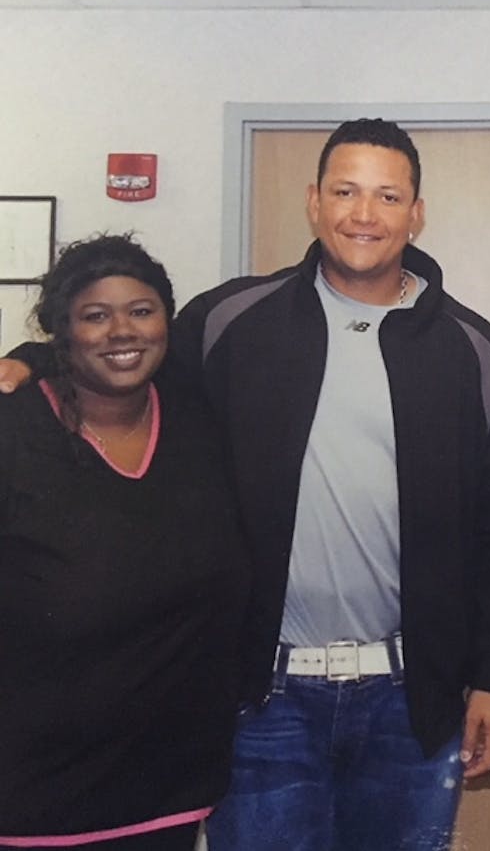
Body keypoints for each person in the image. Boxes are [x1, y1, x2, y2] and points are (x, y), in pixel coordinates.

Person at [0, 120, 490, 850]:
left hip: (412, 699)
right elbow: (124, 355)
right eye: (345, 191)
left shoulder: (471, 348)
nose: (364, 214)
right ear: (314, 202)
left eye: (387, 195)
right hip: (260, 700)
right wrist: (34, 355)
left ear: (417, 212)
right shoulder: (230, 321)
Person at [0, 234, 250, 851]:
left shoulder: (199, 417)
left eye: (141, 311)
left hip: (169, 790)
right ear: (63, 330)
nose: (121, 331)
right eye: (94, 316)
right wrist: (30, 358)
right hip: (33, 797)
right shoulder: (14, 431)